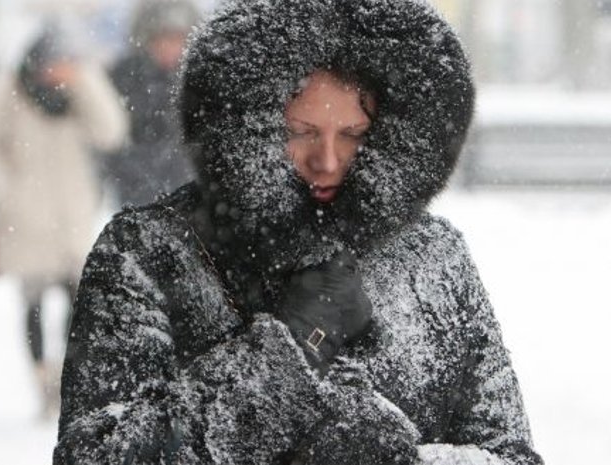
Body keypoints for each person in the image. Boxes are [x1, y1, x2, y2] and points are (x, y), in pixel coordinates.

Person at [54, 1, 543, 464]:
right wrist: (288, 353)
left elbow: (507, 453)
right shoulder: (146, 253)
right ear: (252, 125)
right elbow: (97, 454)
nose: (326, 161)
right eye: (301, 132)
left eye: (352, 135)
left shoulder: (434, 256)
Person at [0, 24, 127, 418]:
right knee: (33, 304)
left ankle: (66, 380)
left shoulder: (76, 94)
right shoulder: (4, 93)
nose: (58, 72)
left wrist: (85, 83)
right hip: (25, 219)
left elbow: (112, 132)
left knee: (79, 307)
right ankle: (41, 378)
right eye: (53, 64)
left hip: (72, 215)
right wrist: (8, 190)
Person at [104, 0, 200, 208]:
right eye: (163, 38)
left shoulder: (201, 77)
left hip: (191, 198)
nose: (171, 48)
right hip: (137, 197)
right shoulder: (124, 79)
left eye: (178, 38)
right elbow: (109, 138)